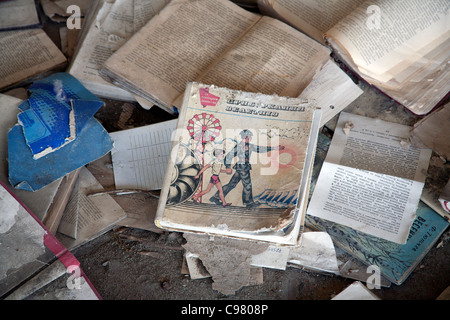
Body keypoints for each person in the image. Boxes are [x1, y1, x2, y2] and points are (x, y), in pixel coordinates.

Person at [209, 129, 284, 209]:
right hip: (243, 167)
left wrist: (274, 148)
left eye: (249, 137)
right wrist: (228, 167)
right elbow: (229, 156)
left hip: (243, 167)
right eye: (248, 137)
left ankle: (216, 197)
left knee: (232, 184)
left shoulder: (250, 146)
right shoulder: (238, 147)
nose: (249, 138)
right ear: (244, 137)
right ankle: (249, 203)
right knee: (247, 185)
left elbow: (260, 149)